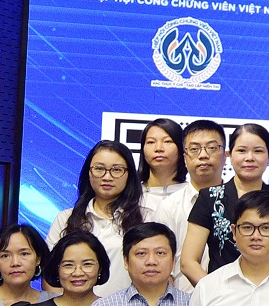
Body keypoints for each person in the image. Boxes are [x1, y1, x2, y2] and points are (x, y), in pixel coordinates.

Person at [181, 123, 269, 288]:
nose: (249, 158)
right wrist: (213, 292)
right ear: (229, 155)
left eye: (258, 151)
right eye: (241, 151)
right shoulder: (209, 198)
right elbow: (188, 262)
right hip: (222, 293)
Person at [48, 140, 143, 294]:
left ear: (129, 175)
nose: (107, 177)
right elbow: (50, 274)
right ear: (89, 173)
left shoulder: (146, 219)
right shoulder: (65, 219)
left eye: (117, 170)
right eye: (99, 169)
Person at [154, 119, 226, 271]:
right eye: (194, 149)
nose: (203, 155)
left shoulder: (240, 202)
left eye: (212, 148)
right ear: (184, 157)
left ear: (225, 155)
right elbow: (160, 264)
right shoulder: (169, 207)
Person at [137, 118, 188, 223]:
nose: (158, 148)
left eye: (167, 141)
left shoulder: (191, 195)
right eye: (151, 142)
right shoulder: (131, 196)